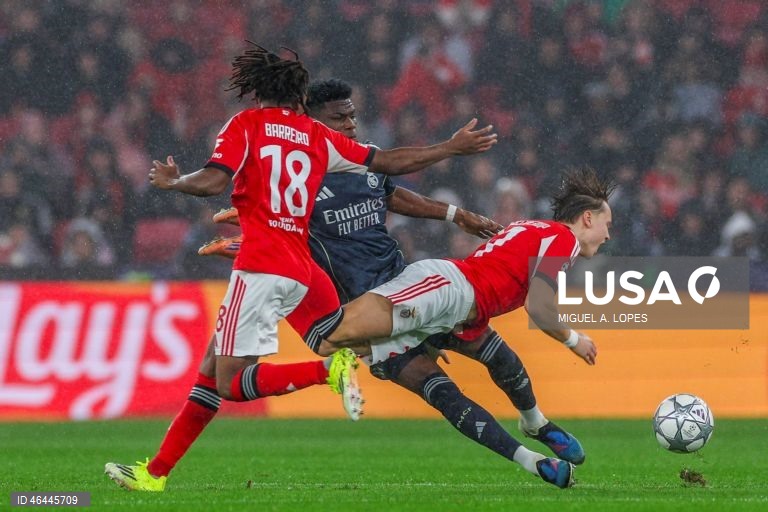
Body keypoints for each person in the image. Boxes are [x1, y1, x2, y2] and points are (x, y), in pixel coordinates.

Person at [104, 43, 497, 491]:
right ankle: (154, 474)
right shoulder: (316, 136)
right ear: (298, 96)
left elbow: (213, 180)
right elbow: (387, 162)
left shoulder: (246, 125)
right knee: (216, 367)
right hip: (305, 270)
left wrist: (176, 182)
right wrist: (449, 147)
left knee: (233, 383)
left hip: (262, 265)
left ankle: (327, 372)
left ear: (257, 94)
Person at [202, 79, 589, 489]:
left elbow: (394, 196)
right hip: (367, 312)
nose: (351, 123)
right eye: (340, 117)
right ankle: (532, 462)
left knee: (498, 355)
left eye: (352, 114)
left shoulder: (360, 165)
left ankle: (537, 423)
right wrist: (246, 242)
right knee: (441, 392)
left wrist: (455, 214)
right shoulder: (301, 177)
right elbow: (278, 230)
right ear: (311, 122)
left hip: (408, 285)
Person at [318, 167, 613, 488]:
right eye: (606, 224)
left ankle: (535, 427)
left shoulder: (533, 227)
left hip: (463, 308)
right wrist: (574, 340)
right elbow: (539, 306)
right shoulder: (563, 239)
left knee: (499, 360)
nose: (608, 235)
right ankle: (331, 357)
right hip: (446, 287)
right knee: (349, 331)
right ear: (587, 218)